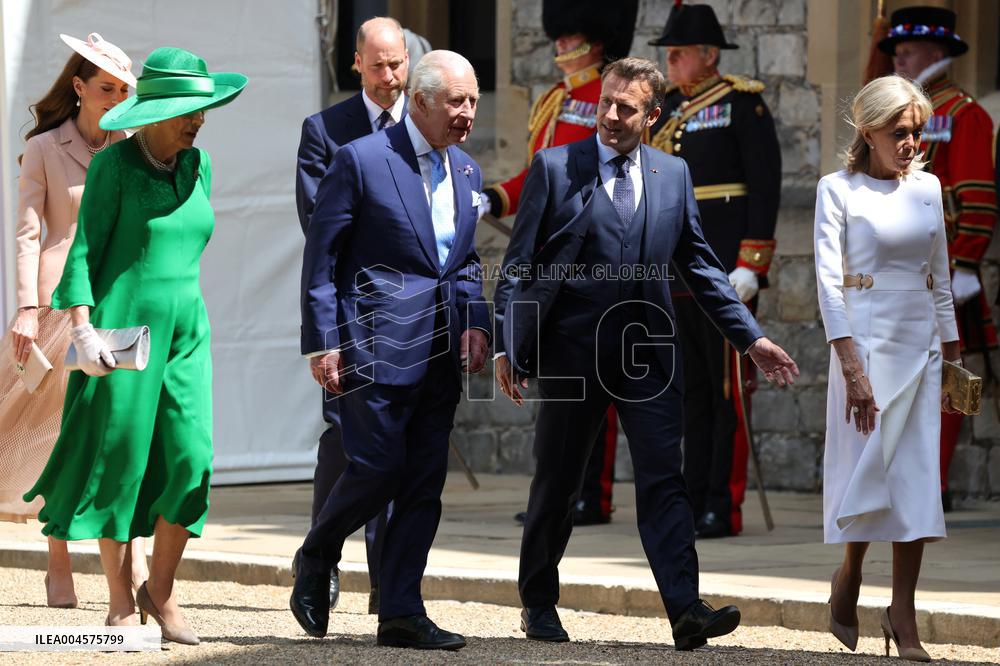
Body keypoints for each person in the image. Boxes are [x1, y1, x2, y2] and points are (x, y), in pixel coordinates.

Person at [493, 57, 798, 651]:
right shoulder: (555, 168)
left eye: (625, 107)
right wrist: (510, 344)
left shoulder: (673, 174)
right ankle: (538, 601)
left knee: (665, 481)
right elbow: (519, 267)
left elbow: (703, 268)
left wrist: (750, 337)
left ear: (652, 116)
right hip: (572, 354)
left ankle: (685, 610)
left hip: (649, 356)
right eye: (606, 101)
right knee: (558, 482)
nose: (609, 114)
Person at [23, 47, 247, 644]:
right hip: (122, 332)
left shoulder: (200, 165)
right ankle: (121, 597)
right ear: (152, 112)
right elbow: (85, 251)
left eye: (203, 110)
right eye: (186, 111)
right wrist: (81, 329)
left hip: (186, 332)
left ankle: (162, 591)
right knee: (120, 460)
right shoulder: (114, 166)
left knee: (192, 460)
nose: (197, 120)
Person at [290, 50, 489, 651]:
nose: (467, 114)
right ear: (421, 101)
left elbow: (464, 262)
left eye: (474, 101)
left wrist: (476, 320)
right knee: (379, 469)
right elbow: (321, 259)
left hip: (439, 352)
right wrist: (323, 342)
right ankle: (317, 554)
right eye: (456, 102)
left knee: (425, 482)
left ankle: (401, 611)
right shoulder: (361, 160)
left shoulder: (468, 172)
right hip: (372, 344)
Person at [814, 75, 959, 663]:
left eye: (917, 132)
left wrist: (954, 358)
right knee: (867, 475)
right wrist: (850, 365)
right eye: (899, 132)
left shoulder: (928, 188)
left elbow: (942, 281)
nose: (910, 143)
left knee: (916, 482)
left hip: (920, 347)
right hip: (866, 347)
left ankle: (903, 614)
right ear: (868, 131)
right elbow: (827, 281)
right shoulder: (837, 189)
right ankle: (849, 574)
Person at [0, 32, 147, 609]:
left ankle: (130, 555)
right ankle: (57, 553)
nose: (115, 97)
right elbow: (28, 233)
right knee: (58, 436)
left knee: (124, 429)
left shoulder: (134, 142)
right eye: (106, 87)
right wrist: (26, 310)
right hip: (60, 306)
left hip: (122, 299)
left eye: (123, 88)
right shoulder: (42, 149)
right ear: (79, 87)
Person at [486, 0, 639, 528]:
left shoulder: (607, 99)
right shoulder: (555, 98)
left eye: (568, 37)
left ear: (594, 42)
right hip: (548, 260)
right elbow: (538, 173)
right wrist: (495, 199)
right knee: (559, 382)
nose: (558, 47)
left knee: (594, 380)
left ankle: (590, 493)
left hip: (590, 256)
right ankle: (558, 490)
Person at [647, 2, 781, 539]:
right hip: (676, 271)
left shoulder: (741, 104)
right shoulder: (668, 109)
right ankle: (694, 496)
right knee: (691, 393)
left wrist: (752, 264)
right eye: (669, 53)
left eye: (678, 53)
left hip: (725, 272)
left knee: (727, 394)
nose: (671, 60)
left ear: (708, 55)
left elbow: (764, 187)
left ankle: (721, 504)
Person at [295, 15, 410, 615]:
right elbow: (320, 228)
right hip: (351, 311)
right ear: (357, 65)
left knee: (396, 443)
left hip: (413, 318)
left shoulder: (424, 125)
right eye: (379, 64)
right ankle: (323, 558)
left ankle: (389, 579)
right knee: (346, 440)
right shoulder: (326, 130)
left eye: (398, 64)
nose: (389, 75)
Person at [881, 5, 997, 512]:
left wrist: (967, 264)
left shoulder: (964, 113)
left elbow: (978, 195)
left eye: (907, 52)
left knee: (942, 378)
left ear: (936, 53)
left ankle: (933, 481)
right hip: (895, 269)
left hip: (942, 271)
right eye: (896, 51)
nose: (898, 59)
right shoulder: (896, 116)